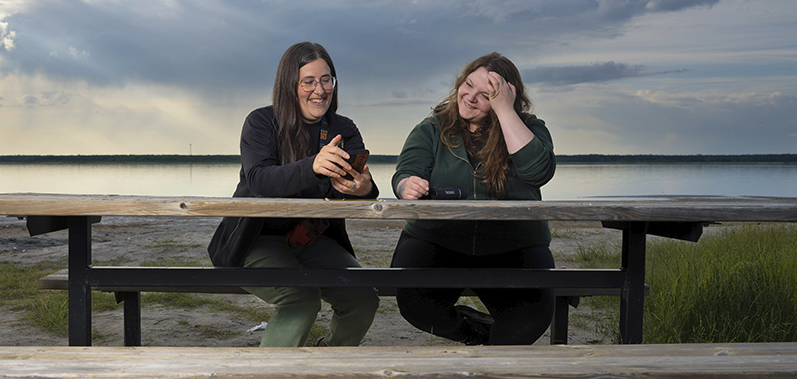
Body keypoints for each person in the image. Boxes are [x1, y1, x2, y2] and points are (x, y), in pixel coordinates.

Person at [207, 42, 380, 347]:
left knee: (363, 296)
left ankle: (327, 363)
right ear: (290, 85)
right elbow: (260, 180)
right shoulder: (261, 122)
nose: (320, 90)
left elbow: (361, 188)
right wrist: (312, 166)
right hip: (254, 240)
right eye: (308, 81)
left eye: (327, 79)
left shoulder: (343, 127)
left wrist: (363, 189)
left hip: (313, 238)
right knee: (300, 297)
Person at [390, 52, 557, 345]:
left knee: (531, 320)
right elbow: (405, 172)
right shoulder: (432, 128)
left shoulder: (528, 127)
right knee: (414, 302)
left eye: (486, 95)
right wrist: (407, 185)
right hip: (438, 238)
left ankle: (492, 360)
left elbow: (539, 172)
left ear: (503, 98)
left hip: (514, 243)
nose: (470, 97)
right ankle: (474, 335)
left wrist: (505, 112)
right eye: (468, 85)